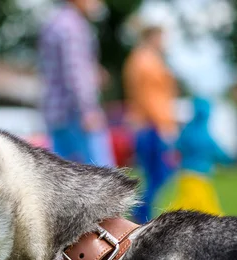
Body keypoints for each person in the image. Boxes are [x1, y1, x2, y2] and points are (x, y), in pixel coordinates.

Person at [39, 0, 115, 167]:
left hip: (56, 114)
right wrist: (88, 109)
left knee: (62, 177)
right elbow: (75, 73)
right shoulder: (73, 26)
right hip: (76, 114)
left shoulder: (54, 23)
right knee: (104, 179)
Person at [123, 24, 178, 223]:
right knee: (160, 173)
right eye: (161, 38)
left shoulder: (143, 59)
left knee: (156, 173)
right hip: (151, 125)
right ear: (152, 37)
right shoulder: (145, 61)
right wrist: (164, 125)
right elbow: (150, 98)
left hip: (149, 123)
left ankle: (142, 214)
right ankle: (141, 215)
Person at [170, 97, 233, 215]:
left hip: (185, 175)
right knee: (206, 206)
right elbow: (219, 153)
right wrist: (230, 159)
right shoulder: (206, 136)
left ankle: (167, 224)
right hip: (201, 176)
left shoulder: (187, 130)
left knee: (184, 204)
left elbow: (178, 146)